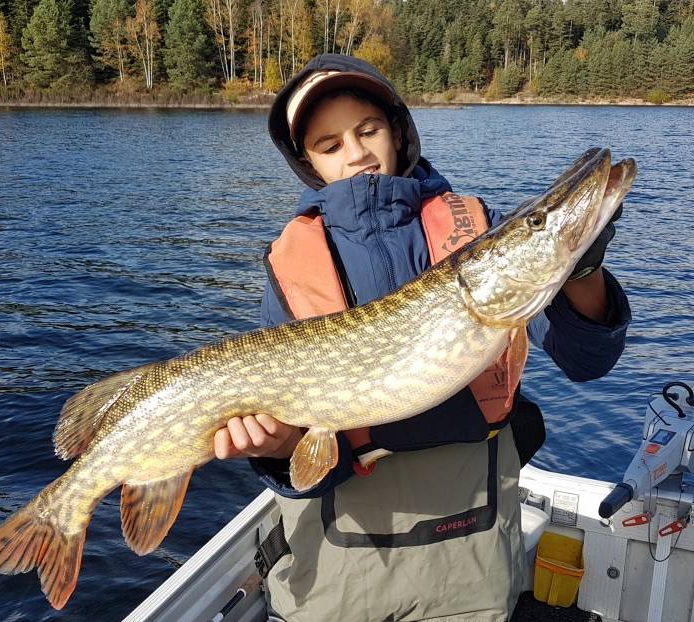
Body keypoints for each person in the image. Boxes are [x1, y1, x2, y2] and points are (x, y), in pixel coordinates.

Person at [213, 54, 631, 621]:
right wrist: (276, 445)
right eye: (330, 145)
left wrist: (582, 271)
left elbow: (586, 362)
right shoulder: (294, 266)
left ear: (398, 129)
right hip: (337, 576)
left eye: (368, 130)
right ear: (308, 162)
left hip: (473, 562)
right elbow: (308, 460)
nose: (357, 153)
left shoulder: (470, 231)